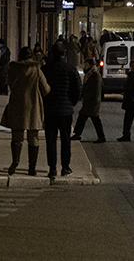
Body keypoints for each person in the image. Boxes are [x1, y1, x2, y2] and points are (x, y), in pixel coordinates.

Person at [1, 46, 50, 176]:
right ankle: (32, 167)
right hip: (33, 107)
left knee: (16, 136)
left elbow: (9, 84)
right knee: (33, 137)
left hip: (16, 105)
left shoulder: (13, 69)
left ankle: (15, 162)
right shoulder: (36, 70)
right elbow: (45, 89)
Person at [42, 41, 81, 178]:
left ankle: (52, 168)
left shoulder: (46, 69)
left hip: (50, 109)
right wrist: (72, 102)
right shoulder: (70, 69)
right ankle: (65, 167)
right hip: (66, 110)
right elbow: (78, 88)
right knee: (66, 140)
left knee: (50, 140)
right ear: (64, 54)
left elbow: (41, 88)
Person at [71, 58, 106, 143]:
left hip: (92, 101)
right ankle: (78, 134)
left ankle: (101, 137)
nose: (84, 67)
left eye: (86, 65)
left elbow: (95, 90)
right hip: (89, 101)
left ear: (90, 65)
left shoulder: (95, 76)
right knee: (86, 117)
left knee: (91, 118)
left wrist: (86, 97)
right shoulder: (89, 75)